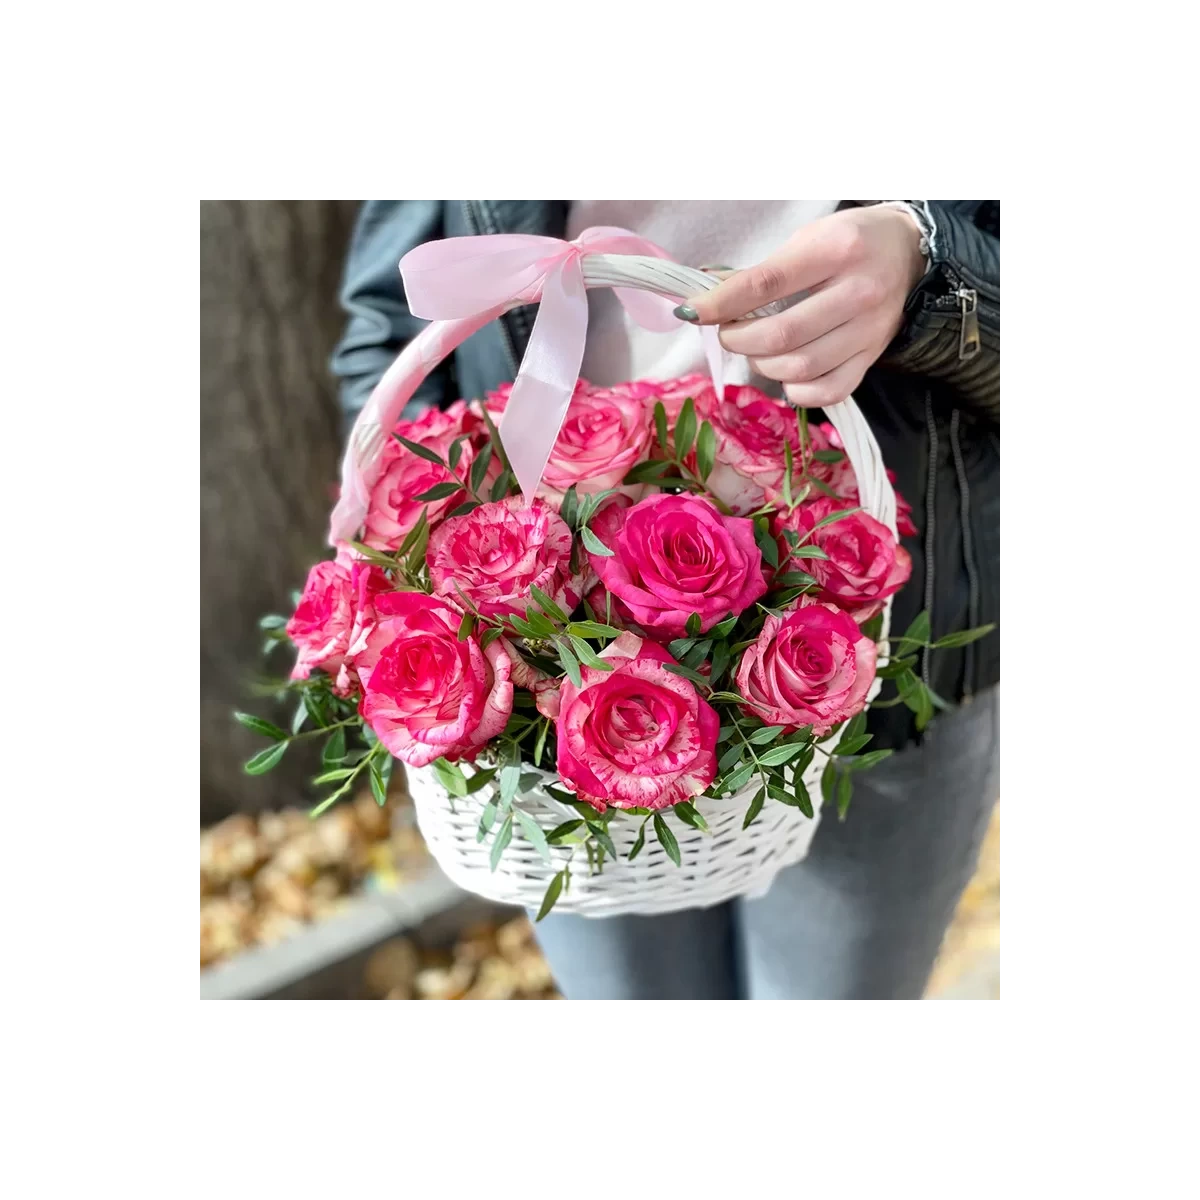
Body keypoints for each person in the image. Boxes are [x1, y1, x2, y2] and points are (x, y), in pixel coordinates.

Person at [332, 200, 1000, 1000]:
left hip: (899, 673)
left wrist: (934, 273)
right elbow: (387, 318)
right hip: (546, 757)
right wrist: (425, 521)